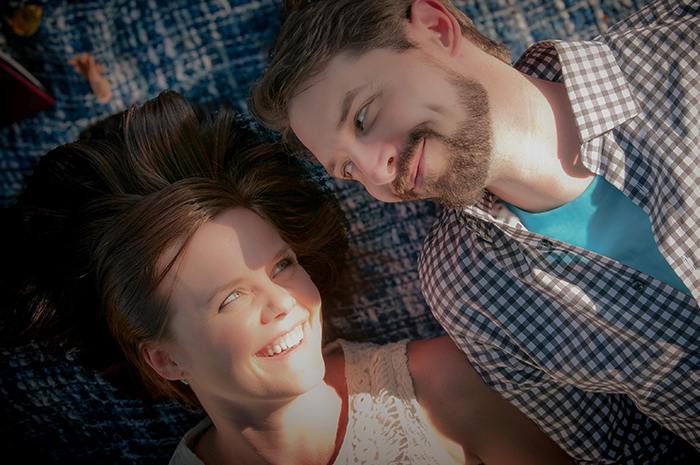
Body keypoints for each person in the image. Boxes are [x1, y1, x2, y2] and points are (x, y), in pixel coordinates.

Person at [1, 90, 573, 465]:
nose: (283, 303)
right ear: (165, 359)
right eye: (230, 299)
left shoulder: (448, 387)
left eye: (282, 265)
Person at [247, 0, 700, 462]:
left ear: (437, 28)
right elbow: (625, 451)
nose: (375, 176)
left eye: (364, 116)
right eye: (346, 169)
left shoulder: (683, 46)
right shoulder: (466, 285)